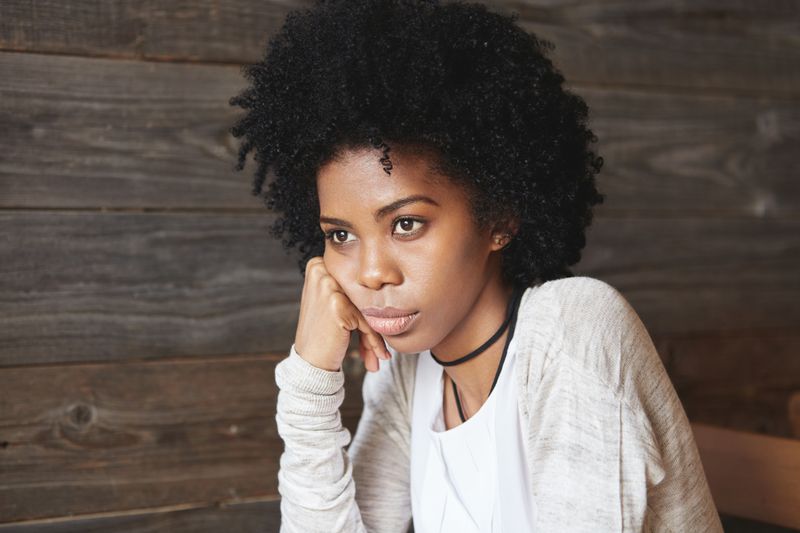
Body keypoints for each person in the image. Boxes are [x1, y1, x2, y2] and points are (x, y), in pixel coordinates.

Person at [228, 0, 724, 531]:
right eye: (341, 235)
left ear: (500, 217)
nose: (371, 274)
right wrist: (311, 378)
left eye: (406, 224)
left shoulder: (573, 332)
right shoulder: (407, 372)